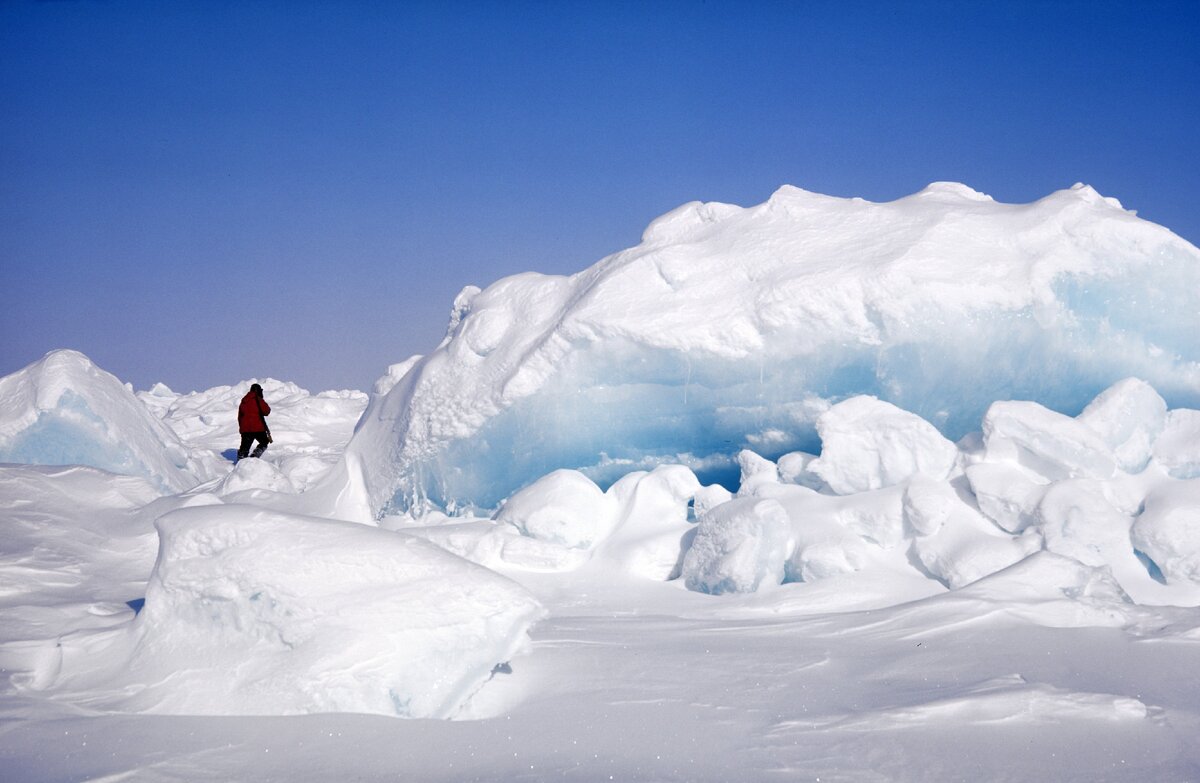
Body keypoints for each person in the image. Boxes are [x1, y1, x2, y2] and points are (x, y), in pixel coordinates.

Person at [236, 383, 272, 460]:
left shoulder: (244, 400)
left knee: (244, 448)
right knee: (264, 442)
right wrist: (261, 399)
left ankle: (241, 462)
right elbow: (267, 411)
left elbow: (240, 417)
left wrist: (242, 428)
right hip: (258, 428)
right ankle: (254, 456)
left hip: (246, 429)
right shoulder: (258, 399)